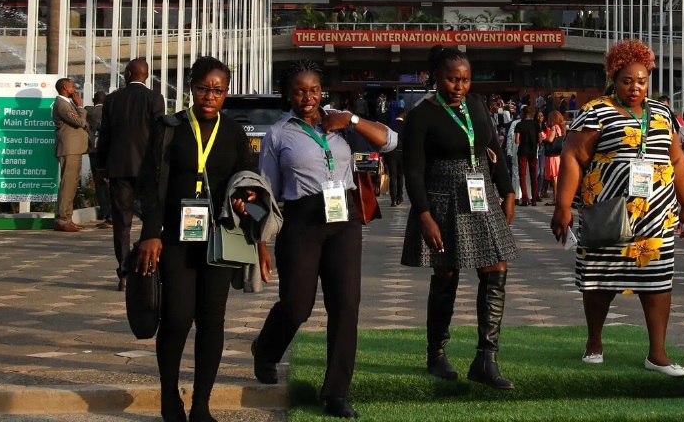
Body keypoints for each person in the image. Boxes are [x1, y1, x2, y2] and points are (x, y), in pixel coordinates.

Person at [252, 61, 397, 419]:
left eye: (314, 89)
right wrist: (261, 244)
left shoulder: (340, 123)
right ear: (288, 93)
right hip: (301, 222)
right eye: (300, 90)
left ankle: (336, 393)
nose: (308, 97)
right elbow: (266, 191)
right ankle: (266, 350)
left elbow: (391, 141)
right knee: (297, 306)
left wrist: (350, 119)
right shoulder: (278, 134)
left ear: (322, 91)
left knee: (346, 306)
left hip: (344, 219)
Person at [551, 39, 684, 375]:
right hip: (608, 210)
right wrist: (562, 206)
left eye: (642, 81)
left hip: (656, 215)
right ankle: (594, 344)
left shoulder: (661, 113)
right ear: (614, 78)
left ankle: (657, 354)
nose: (635, 87)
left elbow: (677, 160)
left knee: (657, 281)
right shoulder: (596, 111)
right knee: (601, 279)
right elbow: (573, 157)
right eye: (627, 80)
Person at [135, 57, 264, 422]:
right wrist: (150, 233)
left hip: (218, 238)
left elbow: (247, 176)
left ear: (227, 93)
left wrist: (248, 198)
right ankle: (168, 396)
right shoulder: (170, 127)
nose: (210, 96)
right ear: (192, 87)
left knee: (212, 319)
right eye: (204, 88)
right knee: (176, 318)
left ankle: (202, 404)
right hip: (175, 236)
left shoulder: (234, 132)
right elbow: (149, 182)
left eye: (218, 90)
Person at [400, 46, 517, 389]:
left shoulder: (477, 105)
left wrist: (508, 190)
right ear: (435, 76)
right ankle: (436, 354)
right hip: (442, 198)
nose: (460, 86)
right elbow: (413, 171)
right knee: (446, 273)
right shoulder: (422, 114)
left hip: (480, 192)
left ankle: (486, 358)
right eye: (452, 79)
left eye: (465, 79)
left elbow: (492, 148)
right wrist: (424, 214)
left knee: (496, 269)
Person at [98, 59, 167, 282]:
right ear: (146, 76)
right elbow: (159, 136)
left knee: (122, 221)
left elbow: (105, 135)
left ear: (128, 74)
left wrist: (100, 164)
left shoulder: (113, 99)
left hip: (118, 168)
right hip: (147, 168)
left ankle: (124, 268)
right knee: (150, 216)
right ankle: (145, 261)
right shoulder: (155, 98)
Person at [52, 78, 89, 233]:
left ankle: (68, 217)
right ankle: (62, 219)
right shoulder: (61, 104)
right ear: (65, 87)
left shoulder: (67, 103)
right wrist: (80, 106)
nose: (74, 89)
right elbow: (79, 122)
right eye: (72, 86)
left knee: (72, 184)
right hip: (68, 148)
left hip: (75, 148)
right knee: (67, 184)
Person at [86, 91, 111, 229]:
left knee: (99, 183)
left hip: (94, 152)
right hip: (108, 152)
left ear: (94, 100)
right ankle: (111, 212)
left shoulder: (89, 111)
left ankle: (104, 210)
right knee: (109, 183)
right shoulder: (111, 112)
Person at [515, 108, 542, 206]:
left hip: (522, 152)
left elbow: (517, 140)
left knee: (522, 176)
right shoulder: (536, 124)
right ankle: (534, 199)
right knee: (534, 175)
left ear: (522, 114)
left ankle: (525, 199)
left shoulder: (519, 125)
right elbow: (540, 139)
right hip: (533, 152)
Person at [540, 110, 565, 205]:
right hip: (558, 155)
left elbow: (550, 139)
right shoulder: (561, 127)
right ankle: (557, 198)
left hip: (552, 156)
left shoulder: (554, 127)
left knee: (554, 178)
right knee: (557, 178)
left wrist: (543, 138)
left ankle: (555, 199)